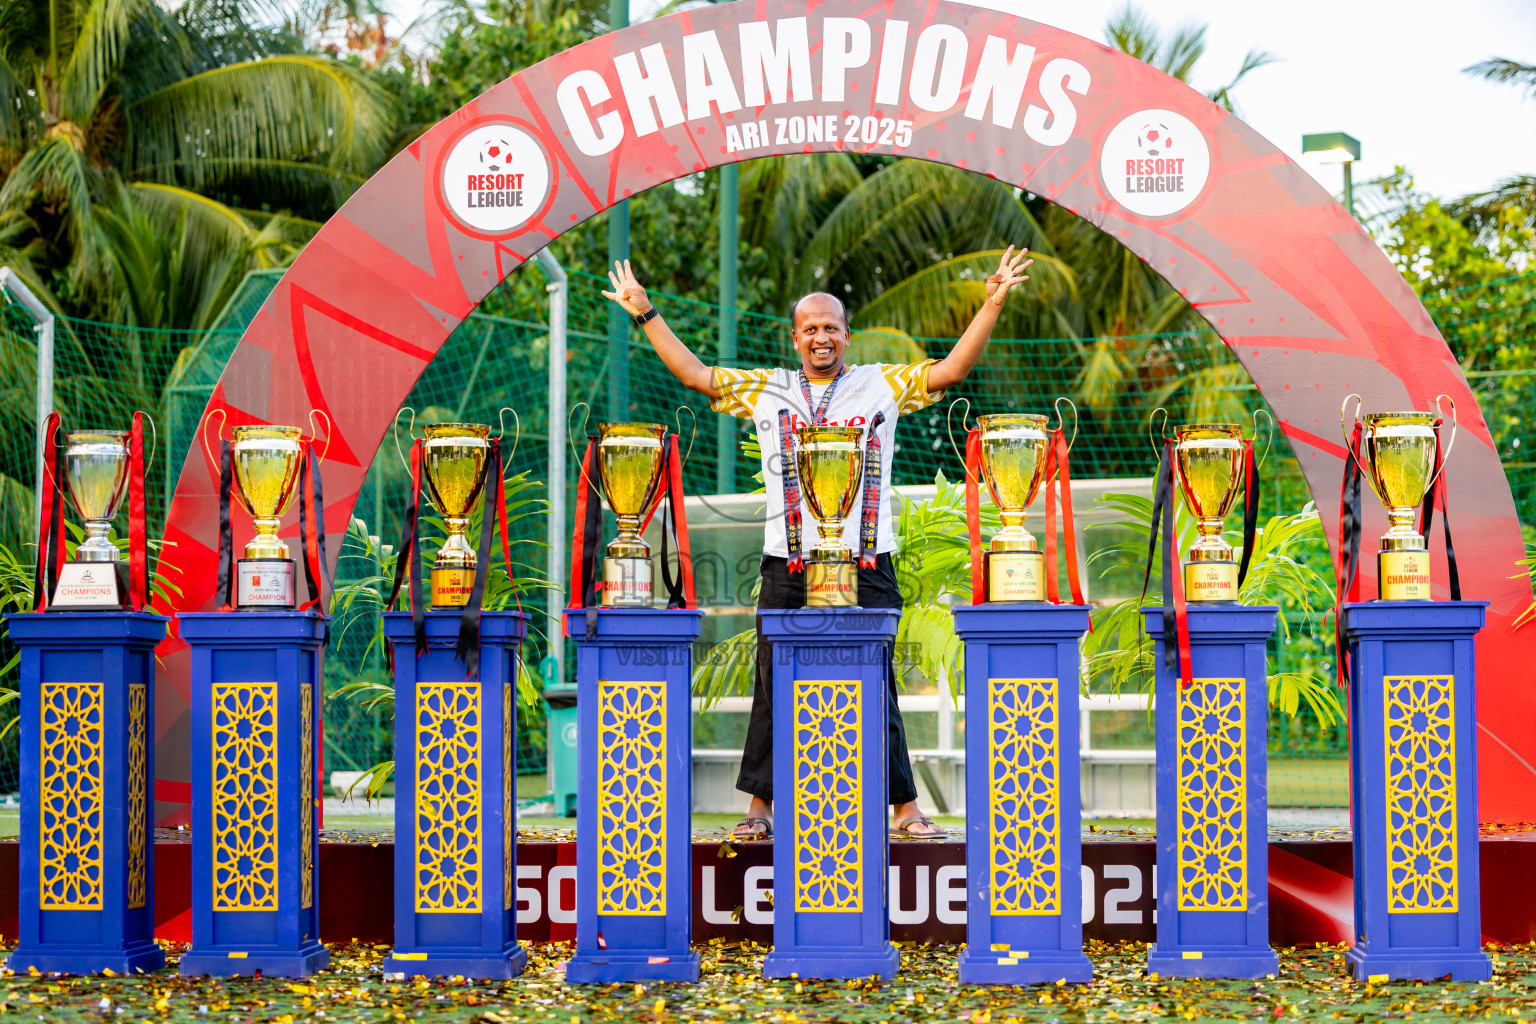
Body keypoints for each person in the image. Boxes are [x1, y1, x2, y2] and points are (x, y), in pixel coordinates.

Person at [602, 246, 1034, 838]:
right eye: (810, 329)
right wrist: (645, 312)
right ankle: (761, 809)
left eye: (831, 327)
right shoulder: (766, 387)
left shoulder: (882, 383)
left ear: (847, 336)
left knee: (875, 678)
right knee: (771, 678)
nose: (820, 337)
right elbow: (694, 375)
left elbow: (952, 370)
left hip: (866, 559)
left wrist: (991, 302)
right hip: (788, 562)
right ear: (795, 339)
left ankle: (903, 807)